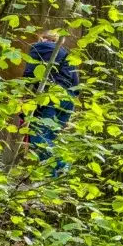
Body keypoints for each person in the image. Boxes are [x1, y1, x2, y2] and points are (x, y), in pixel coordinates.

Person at [23, 33, 79, 169]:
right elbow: (76, 84)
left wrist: (25, 94)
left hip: (49, 97)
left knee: (38, 138)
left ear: (43, 38)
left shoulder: (39, 48)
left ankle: (64, 164)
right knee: (49, 139)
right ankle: (52, 180)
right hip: (68, 99)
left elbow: (30, 74)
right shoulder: (66, 54)